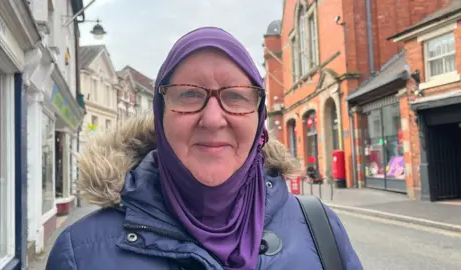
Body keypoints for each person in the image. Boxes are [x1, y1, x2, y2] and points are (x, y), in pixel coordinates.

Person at [46, 27, 362, 270]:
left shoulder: (321, 230)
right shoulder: (79, 254)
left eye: (236, 96)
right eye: (188, 95)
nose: (212, 119)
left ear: (259, 116)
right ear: (160, 114)